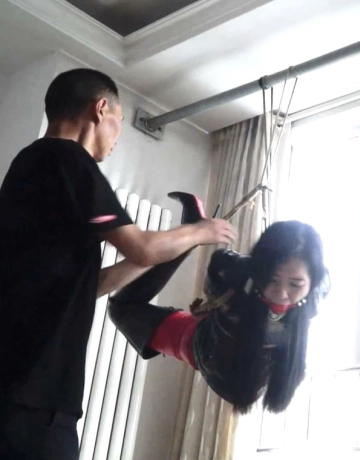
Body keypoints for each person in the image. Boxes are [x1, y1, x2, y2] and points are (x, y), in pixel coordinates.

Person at [0, 69, 236, 459]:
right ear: (101, 109)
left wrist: (168, 247)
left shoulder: (31, 169)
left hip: (20, 394)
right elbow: (141, 247)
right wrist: (200, 231)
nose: (116, 137)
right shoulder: (67, 158)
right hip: (36, 400)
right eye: (120, 122)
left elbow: (88, 285)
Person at [107, 200, 329, 415]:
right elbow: (220, 263)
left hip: (220, 361)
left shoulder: (316, 294)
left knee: (123, 309)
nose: (281, 293)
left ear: (313, 281)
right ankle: (190, 232)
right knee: (122, 309)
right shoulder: (234, 273)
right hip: (201, 347)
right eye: (271, 279)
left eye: (295, 284)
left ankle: (191, 230)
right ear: (258, 268)